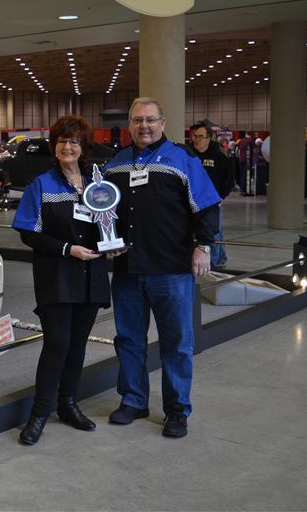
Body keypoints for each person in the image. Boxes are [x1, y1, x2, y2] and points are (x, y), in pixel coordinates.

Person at [103, 98, 220, 439]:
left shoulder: (182, 160)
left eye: (151, 120)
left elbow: (207, 206)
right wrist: (105, 241)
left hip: (171, 269)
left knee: (177, 342)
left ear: (163, 123)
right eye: (138, 120)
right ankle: (134, 400)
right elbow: (103, 212)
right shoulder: (115, 165)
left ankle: (177, 409)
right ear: (129, 124)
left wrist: (203, 245)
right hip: (127, 269)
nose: (145, 126)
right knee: (129, 339)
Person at [12, 116, 111, 445]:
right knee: (57, 344)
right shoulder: (41, 185)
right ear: (54, 146)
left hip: (91, 274)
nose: (68, 147)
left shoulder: (97, 184)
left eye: (74, 141)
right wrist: (68, 249)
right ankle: (40, 413)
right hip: (57, 275)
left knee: (78, 345)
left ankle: (68, 404)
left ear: (83, 147)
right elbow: (28, 233)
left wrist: (112, 244)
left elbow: (108, 223)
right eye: (62, 141)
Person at [190, 123, 235, 269]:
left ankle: (214, 263)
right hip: (192, 201)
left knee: (213, 232)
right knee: (197, 231)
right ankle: (220, 257)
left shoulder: (220, 155)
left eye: (201, 137)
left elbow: (229, 179)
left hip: (211, 201)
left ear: (208, 139)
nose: (197, 140)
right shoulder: (188, 154)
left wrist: (220, 197)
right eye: (195, 136)